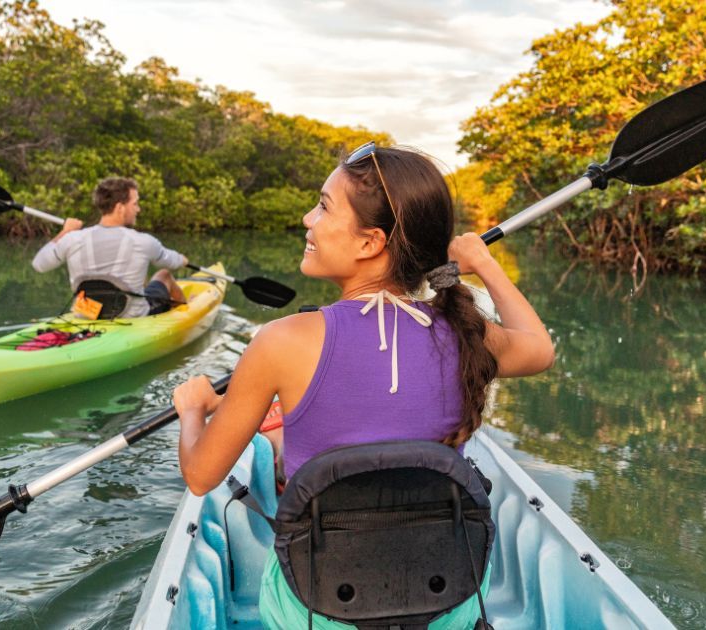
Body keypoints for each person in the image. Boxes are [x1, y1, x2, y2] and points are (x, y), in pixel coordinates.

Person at [171, 143, 556, 627]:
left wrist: (192, 409)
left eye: (324, 206)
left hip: (318, 610)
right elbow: (539, 348)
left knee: (277, 446)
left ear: (370, 242)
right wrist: (482, 262)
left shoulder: (281, 341)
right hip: (446, 603)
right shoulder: (465, 332)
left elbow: (202, 476)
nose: (308, 219)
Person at [31, 177, 188, 318]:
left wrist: (65, 232)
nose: (138, 209)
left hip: (87, 314)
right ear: (120, 208)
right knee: (164, 275)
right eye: (135, 204)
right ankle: (187, 313)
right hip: (130, 316)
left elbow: (39, 264)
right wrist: (182, 260)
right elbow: (172, 262)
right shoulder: (143, 241)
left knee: (141, 281)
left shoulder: (73, 238)